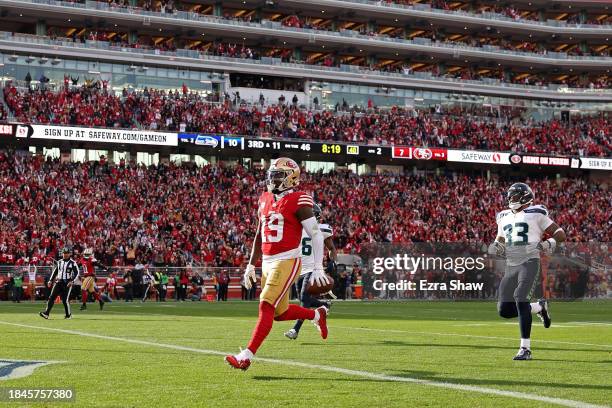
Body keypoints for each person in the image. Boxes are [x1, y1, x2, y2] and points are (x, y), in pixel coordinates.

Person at [225, 158, 330, 371]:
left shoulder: (299, 199)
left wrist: (318, 267)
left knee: (265, 304)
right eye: (272, 174)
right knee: (279, 313)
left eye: (278, 175)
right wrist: (250, 265)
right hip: (267, 261)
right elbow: (258, 234)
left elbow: (317, 235)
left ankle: (246, 356)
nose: (273, 178)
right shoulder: (265, 199)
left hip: (287, 259)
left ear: (291, 178)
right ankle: (317, 314)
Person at [488, 183, 566, 360]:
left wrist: (547, 244)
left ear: (524, 197)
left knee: (520, 297)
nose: (511, 199)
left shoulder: (537, 213)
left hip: (529, 261)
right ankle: (539, 307)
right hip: (511, 264)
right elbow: (500, 240)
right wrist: (496, 247)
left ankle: (525, 348)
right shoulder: (503, 216)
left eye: (514, 196)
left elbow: (560, 234)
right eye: (510, 196)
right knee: (504, 310)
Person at [284, 203, 336, 340]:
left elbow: (331, 248)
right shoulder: (296, 229)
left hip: (313, 269)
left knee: (304, 298)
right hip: (299, 269)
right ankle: (324, 306)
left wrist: (332, 262)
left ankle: (295, 329)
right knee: (303, 299)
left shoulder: (322, 229)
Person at [39, 247, 80, 320]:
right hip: (59, 281)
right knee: (51, 297)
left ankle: (68, 315)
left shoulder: (72, 263)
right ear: (62, 254)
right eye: (64, 253)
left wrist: (72, 281)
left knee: (65, 300)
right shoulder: (60, 261)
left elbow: (77, 273)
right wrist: (50, 280)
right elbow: (55, 271)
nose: (65, 255)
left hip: (67, 282)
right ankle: (46, 313)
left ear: (69, 254)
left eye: (67, 253)